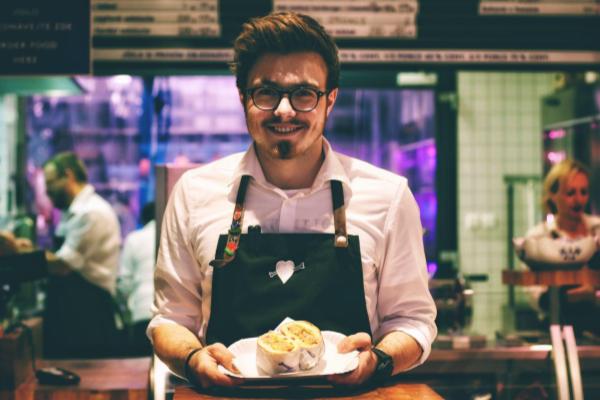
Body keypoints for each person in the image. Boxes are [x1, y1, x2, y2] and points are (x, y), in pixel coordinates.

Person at [148, 12, 437, 388]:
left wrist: (378, 361)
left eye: (304, 94)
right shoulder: (194, 192)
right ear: (243, 98)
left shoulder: (387, 196)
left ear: (329, 100)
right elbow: (170, 319)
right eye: (266, 93)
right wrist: (192, 359)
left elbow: (413, 321)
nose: (284, 110)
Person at [42, 151, 122, 357]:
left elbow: (62, 265)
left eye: (50, 183)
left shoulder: (90, 212)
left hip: (88, 315)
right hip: (76, 311)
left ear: (68, 176)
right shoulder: (74, 212)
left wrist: (20, 256)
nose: (47, 191)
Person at [526, 159, 600, 335]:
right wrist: (565, 296)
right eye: (570, 193)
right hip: (556, 328)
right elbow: (535, 297)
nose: (578, 199)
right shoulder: (538, 238)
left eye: (583, 192)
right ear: (553, 195)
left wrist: (595, 295)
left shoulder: (597, 230)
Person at [117, 201, 156, 356]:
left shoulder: (134, 239)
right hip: (172, 319)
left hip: (141, 312)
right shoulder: (176, 235)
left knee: (141, 366)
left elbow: (124, 282)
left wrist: (126, 312)